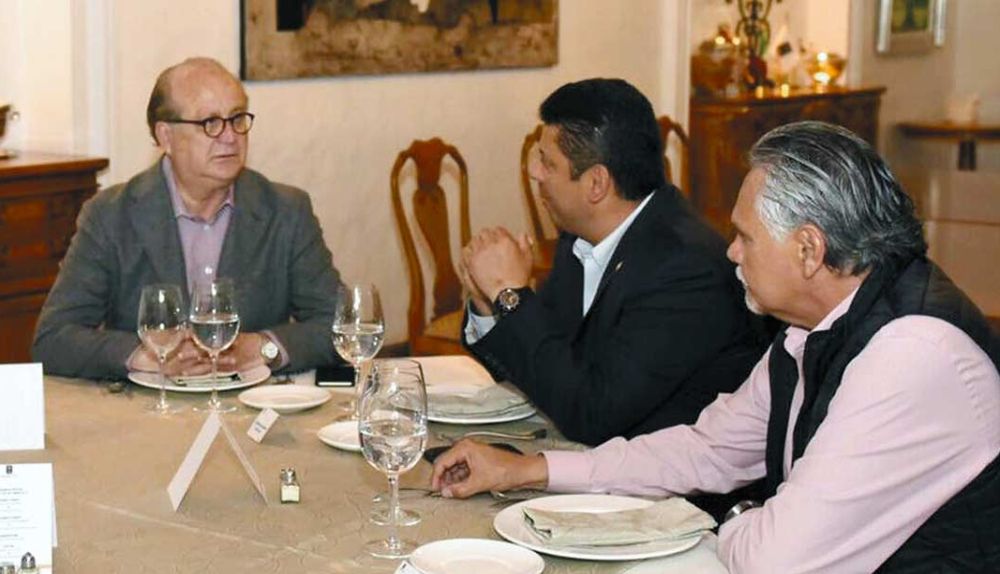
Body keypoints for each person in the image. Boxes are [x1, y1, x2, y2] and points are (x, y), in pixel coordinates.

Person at [433, 121, 1000, 572]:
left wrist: (733, 515)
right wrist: (527, 470)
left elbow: (775, 562)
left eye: (746, 237)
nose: (731, 253)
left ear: (808, 250)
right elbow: (708, 449)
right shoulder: (814, 325)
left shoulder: (910, 353)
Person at [459, 78, 766, 446]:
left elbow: (592, 416)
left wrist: (510, 294)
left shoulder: (684, 269)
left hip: (666, 473)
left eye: (547, 162)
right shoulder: (580, 237)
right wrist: (490, 305)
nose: (534, 172)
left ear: (596, 183)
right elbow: (547, 367)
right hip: (597, 456)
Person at [32, 57, 342, 380]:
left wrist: (263, 348)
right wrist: (146, 356)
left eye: (237, 118)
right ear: (165, 136)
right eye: (210, 122)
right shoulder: (111, 215)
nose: (230, 136)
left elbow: (341, 326)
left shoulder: (285, 211)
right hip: (149, 405)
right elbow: (53, 338)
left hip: (249, 404)